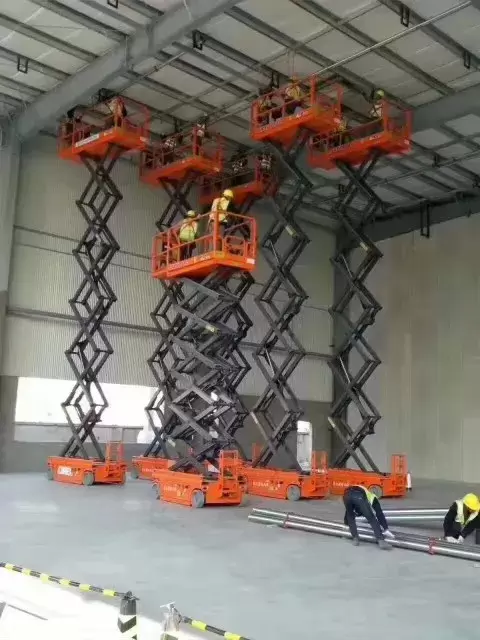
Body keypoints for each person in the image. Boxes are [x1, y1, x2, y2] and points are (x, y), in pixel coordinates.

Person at [343, 485, 394, 550]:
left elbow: (348, 512)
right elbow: (379, 513)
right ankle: (381, 541)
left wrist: (346, 524)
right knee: (372, 518)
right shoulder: (372, 497)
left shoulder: (361, 489)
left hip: (346, 495)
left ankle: (355, 539)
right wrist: (385, 528)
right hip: (358, 497)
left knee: (350, 516)